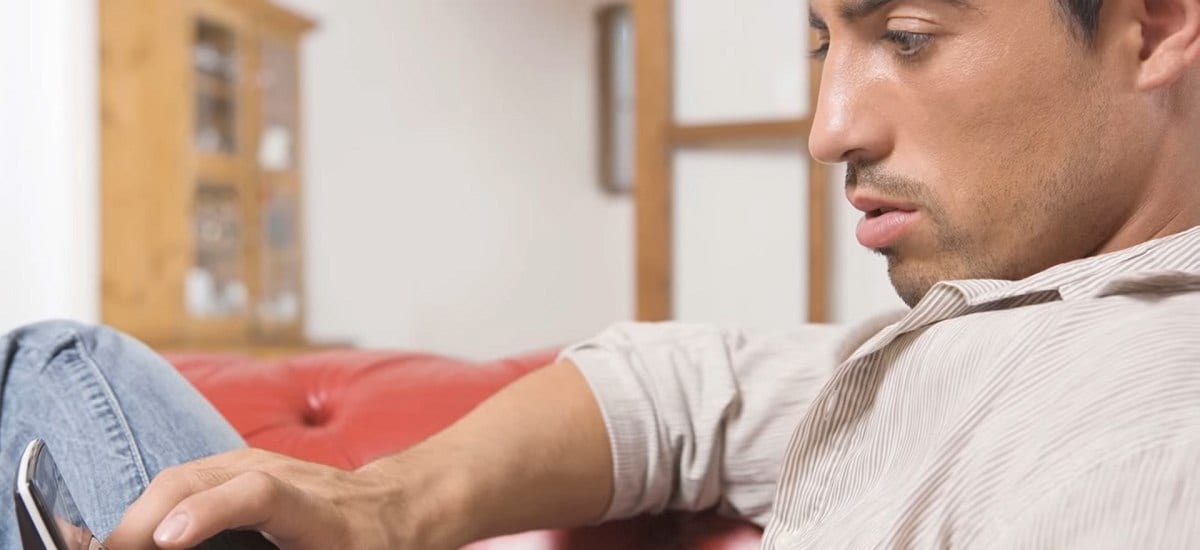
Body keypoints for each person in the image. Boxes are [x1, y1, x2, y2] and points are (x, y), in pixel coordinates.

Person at [3, 0, 1200, 547]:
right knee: (68, 369)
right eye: (823, 39)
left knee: (50, 371)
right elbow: (682, 390)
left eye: (908, 38)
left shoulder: (1156, 431)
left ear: (1153, 24)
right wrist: (386, 508)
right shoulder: (1010, 315)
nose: (830, 126)